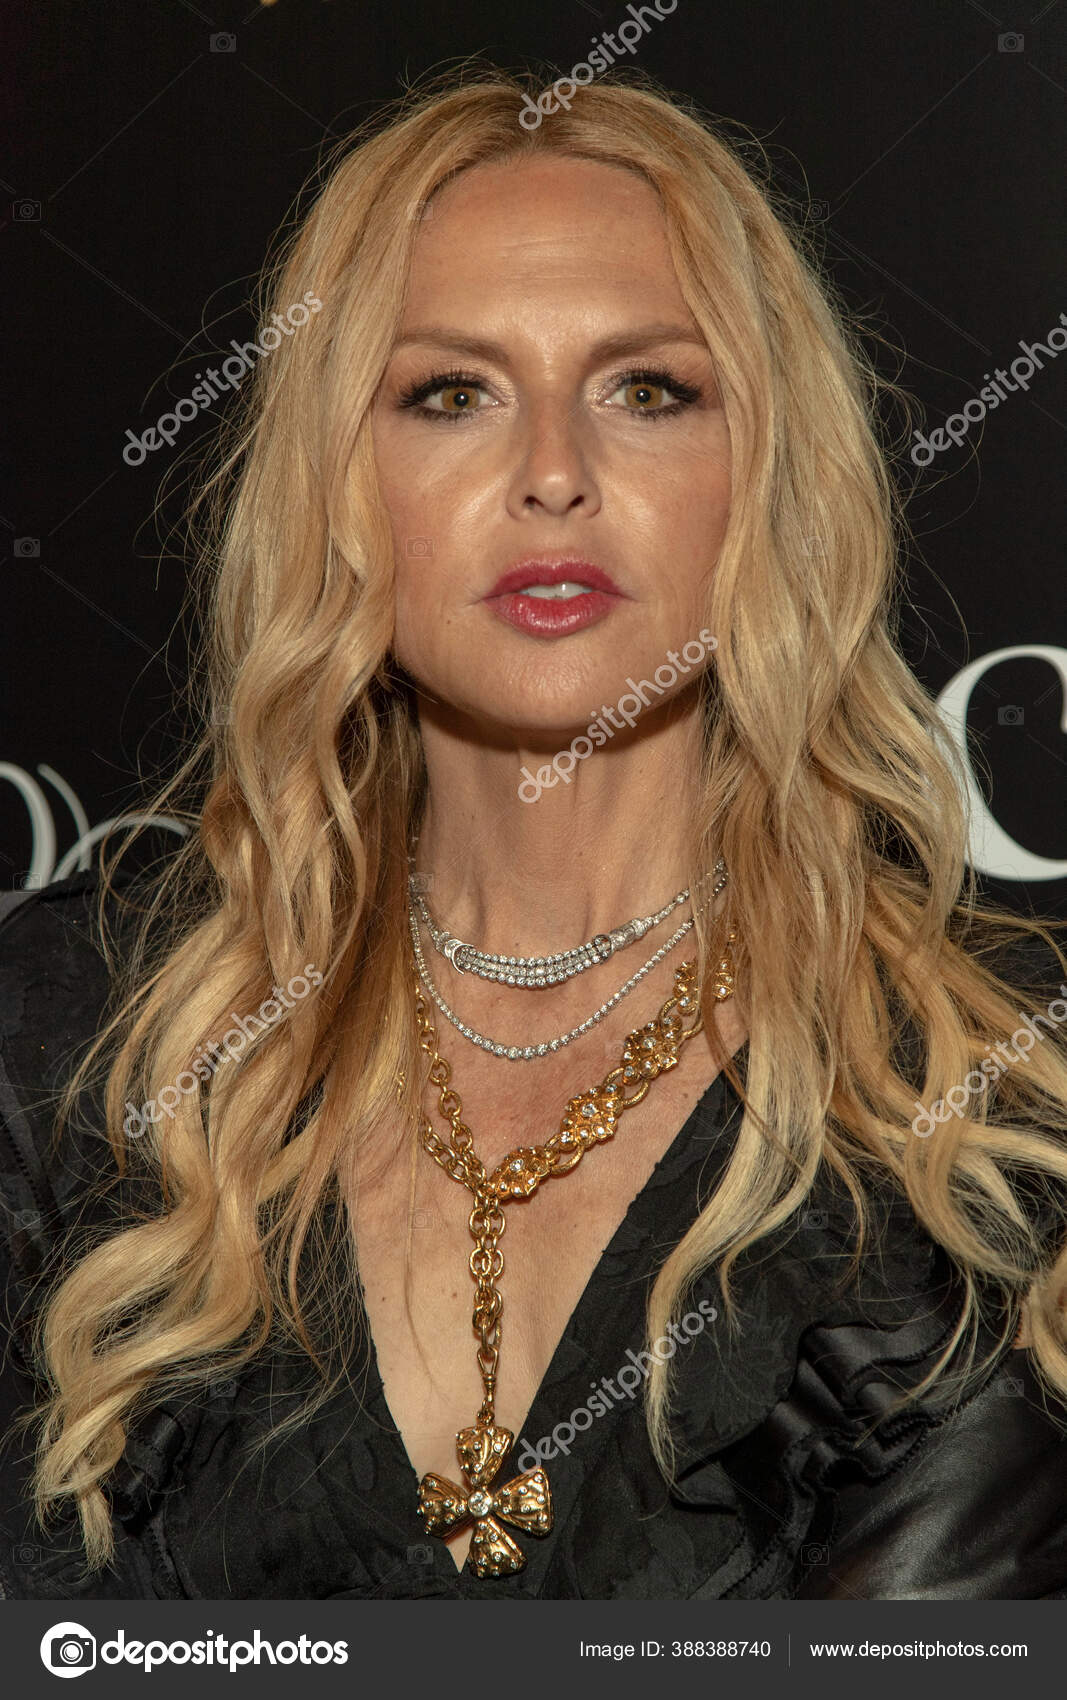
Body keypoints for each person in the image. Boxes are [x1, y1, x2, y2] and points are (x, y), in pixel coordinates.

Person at [2, 67, 1067, 1602]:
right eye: (452, 394)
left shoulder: (976, 1122)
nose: (554, 472)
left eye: (650, 391)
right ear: (337, 476)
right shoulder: (73, 1055)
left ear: (767, 474)